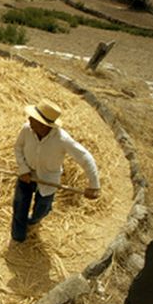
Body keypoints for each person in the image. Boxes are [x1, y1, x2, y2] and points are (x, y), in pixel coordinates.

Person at [11, 99, 101, 243]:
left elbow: (86, 158)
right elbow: (18, 148)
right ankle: (18, 236)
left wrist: (94, 185)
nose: (29, 119)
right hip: (26, 175)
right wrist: (23, 169)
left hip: (48, 179)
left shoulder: (62, 139)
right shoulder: (26, 129)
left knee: (42, 209)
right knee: (20, 205)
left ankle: (33, 221)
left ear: (43, 125)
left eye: (33, 118)